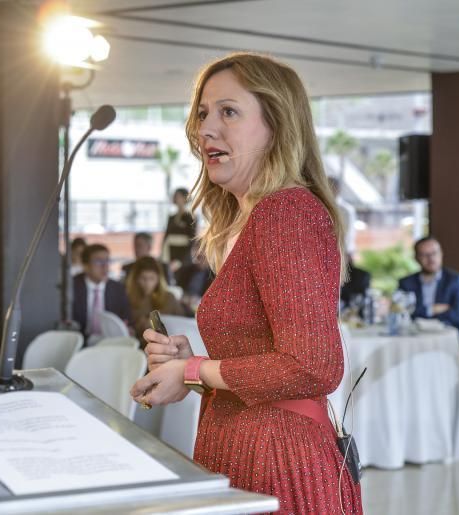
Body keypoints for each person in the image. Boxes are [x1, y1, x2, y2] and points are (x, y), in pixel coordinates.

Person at [130, 53, 362, 513]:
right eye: (202, 114)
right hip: (248, 447)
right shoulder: (255, 218)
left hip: (276, 458)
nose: (206, 129)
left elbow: (313, 364)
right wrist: (191, 365)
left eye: (228, 112)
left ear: (275, 125)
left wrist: (193, 371)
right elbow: (263, 361)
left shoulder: (286, 211)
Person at [399, 236, 459, 368]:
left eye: (434, 253)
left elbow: (458, 317)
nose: (431, 259)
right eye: (424, 255)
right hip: (414, 343)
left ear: (441, 254)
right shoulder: (406, 282)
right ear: (416, 258)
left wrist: (420, 312)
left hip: (449, 348)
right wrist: (432, 309)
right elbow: (401, 312)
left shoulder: (456, 280)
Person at [71, 244, 132, 339]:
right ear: (85, 266)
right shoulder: (72, 287)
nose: (105, 266)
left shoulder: (118, 288)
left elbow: (126, 318)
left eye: (107, 261)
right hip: (79, 341)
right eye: (99, 261)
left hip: (110, 341)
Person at [125, 256, 184, 345]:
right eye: (143, 278)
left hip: (167, 346)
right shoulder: (128, 298)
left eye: (152, 278)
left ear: (159, 278)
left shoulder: (169, 298)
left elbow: (182, 325)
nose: (148, 284)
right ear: (136, 279)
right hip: (138, 346)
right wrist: (139, 326)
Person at [174, 240, 215, 314]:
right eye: (194, 250)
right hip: (183, 306)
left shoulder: (215, 275)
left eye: (201, 250)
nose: (197, 253)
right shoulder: (185, 270)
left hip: (203, 310)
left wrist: (198, 300)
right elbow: (177, 289)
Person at [162, 187, 197, 267]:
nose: (175, 198)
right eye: (175, 196)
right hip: (170, 253)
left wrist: (181, 260)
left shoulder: (191, 217)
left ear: (185, 198)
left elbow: (192, 239)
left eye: (178, 196)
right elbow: (166, 236)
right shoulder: (171, 217)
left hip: (183, 256)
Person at [328, 176, 357, 258]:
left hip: (344, 252)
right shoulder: (321, 207)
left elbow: (347, 234)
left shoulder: (346, 210)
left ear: (337, 189)